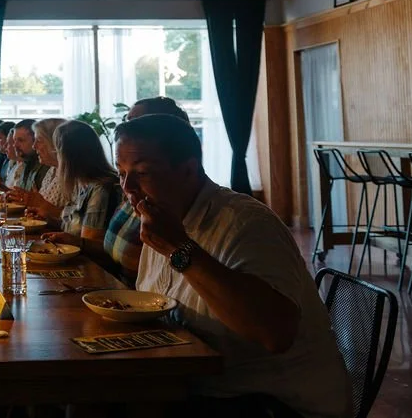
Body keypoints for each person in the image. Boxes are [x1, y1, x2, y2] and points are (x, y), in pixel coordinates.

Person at [115, 114, 349, 418]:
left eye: (142, 173)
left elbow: (275, 332)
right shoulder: (164, 218)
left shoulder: (247, 224)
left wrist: (180, 249)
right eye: (120, 173)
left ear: (188, 170)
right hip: (192, 384)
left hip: (270, 402)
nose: (127, 187)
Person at [42, 99, 189, 286]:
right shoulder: (134, 195)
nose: (127, 128)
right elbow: (110, 251)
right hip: (115, 294)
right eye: (121, 172)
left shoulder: (167, 203)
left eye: (135, 122)